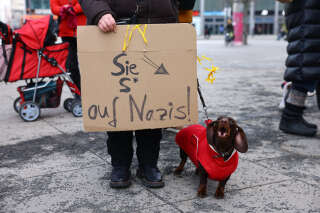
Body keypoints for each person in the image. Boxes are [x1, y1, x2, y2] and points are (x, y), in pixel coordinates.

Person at [79, 0, 196, 189]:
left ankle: (148, 164)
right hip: (114, 30)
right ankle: (120, 164)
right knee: (118, 104)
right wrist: (100, 12)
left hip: (161, 32)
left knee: (153, 104)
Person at [277, 0, 319, 136]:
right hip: (308, 14)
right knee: (306, 67)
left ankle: (292, 116)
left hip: (308, 13)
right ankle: (290, 117)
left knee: (310, 66)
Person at [50, 0, 86, 92]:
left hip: (83, 29)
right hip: (66, 32)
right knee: (71, 65)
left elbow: (85, 3)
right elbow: (54, 8)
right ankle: (79, 92)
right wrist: (64, 9)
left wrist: (72, 9)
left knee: (88, 62)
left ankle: (90, 89)